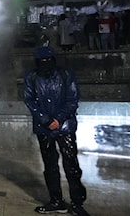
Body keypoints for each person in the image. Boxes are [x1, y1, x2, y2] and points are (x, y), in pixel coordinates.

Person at [23, 46, 90, 216]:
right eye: (41, 61)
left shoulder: (65, 74)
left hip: (64, 127)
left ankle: (77, 203)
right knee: (50, 166)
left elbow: (72, 100)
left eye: (48, 60)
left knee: (72, 166)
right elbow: (29, 99)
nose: (45, 64)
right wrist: (45, 119)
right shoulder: (32, 76)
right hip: (44, 128)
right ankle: (56, 201)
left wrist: (58, 119)